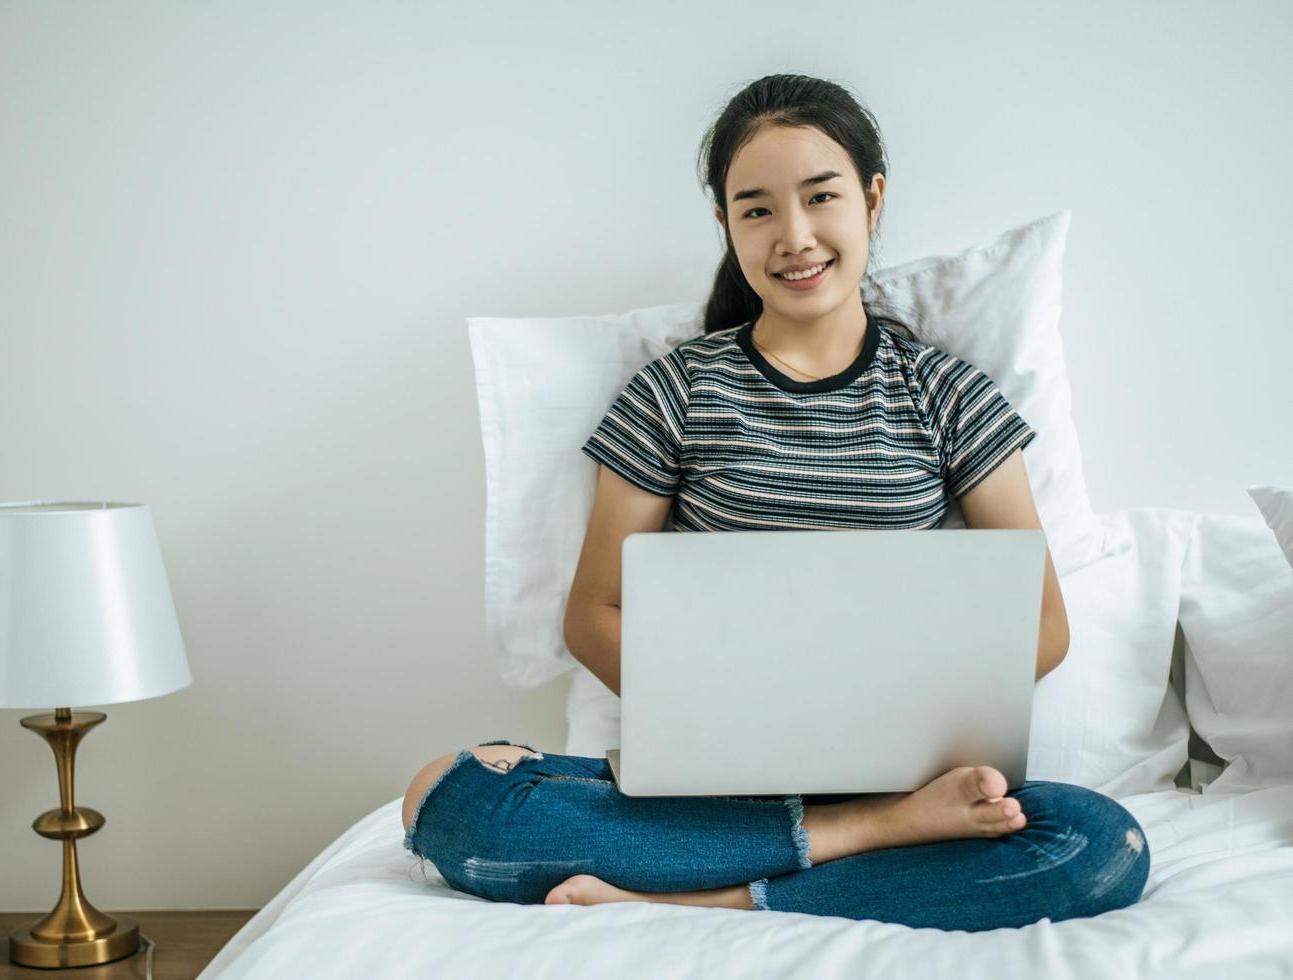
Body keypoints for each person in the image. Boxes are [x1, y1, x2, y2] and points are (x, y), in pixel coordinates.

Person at [400, 73, 1150, 931]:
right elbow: (593, 614)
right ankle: (861, 838)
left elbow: (1042, 624)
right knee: (451, 797)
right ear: (726, 225)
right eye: (756, 209)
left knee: (1097, 842)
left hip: (906, 774)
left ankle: (705, 890)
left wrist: (891, 720)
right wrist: (716, 718)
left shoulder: (945, 393)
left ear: (870, 200)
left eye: (819, 197)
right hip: (721, 785)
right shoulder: (675, 390)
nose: (793, 236)